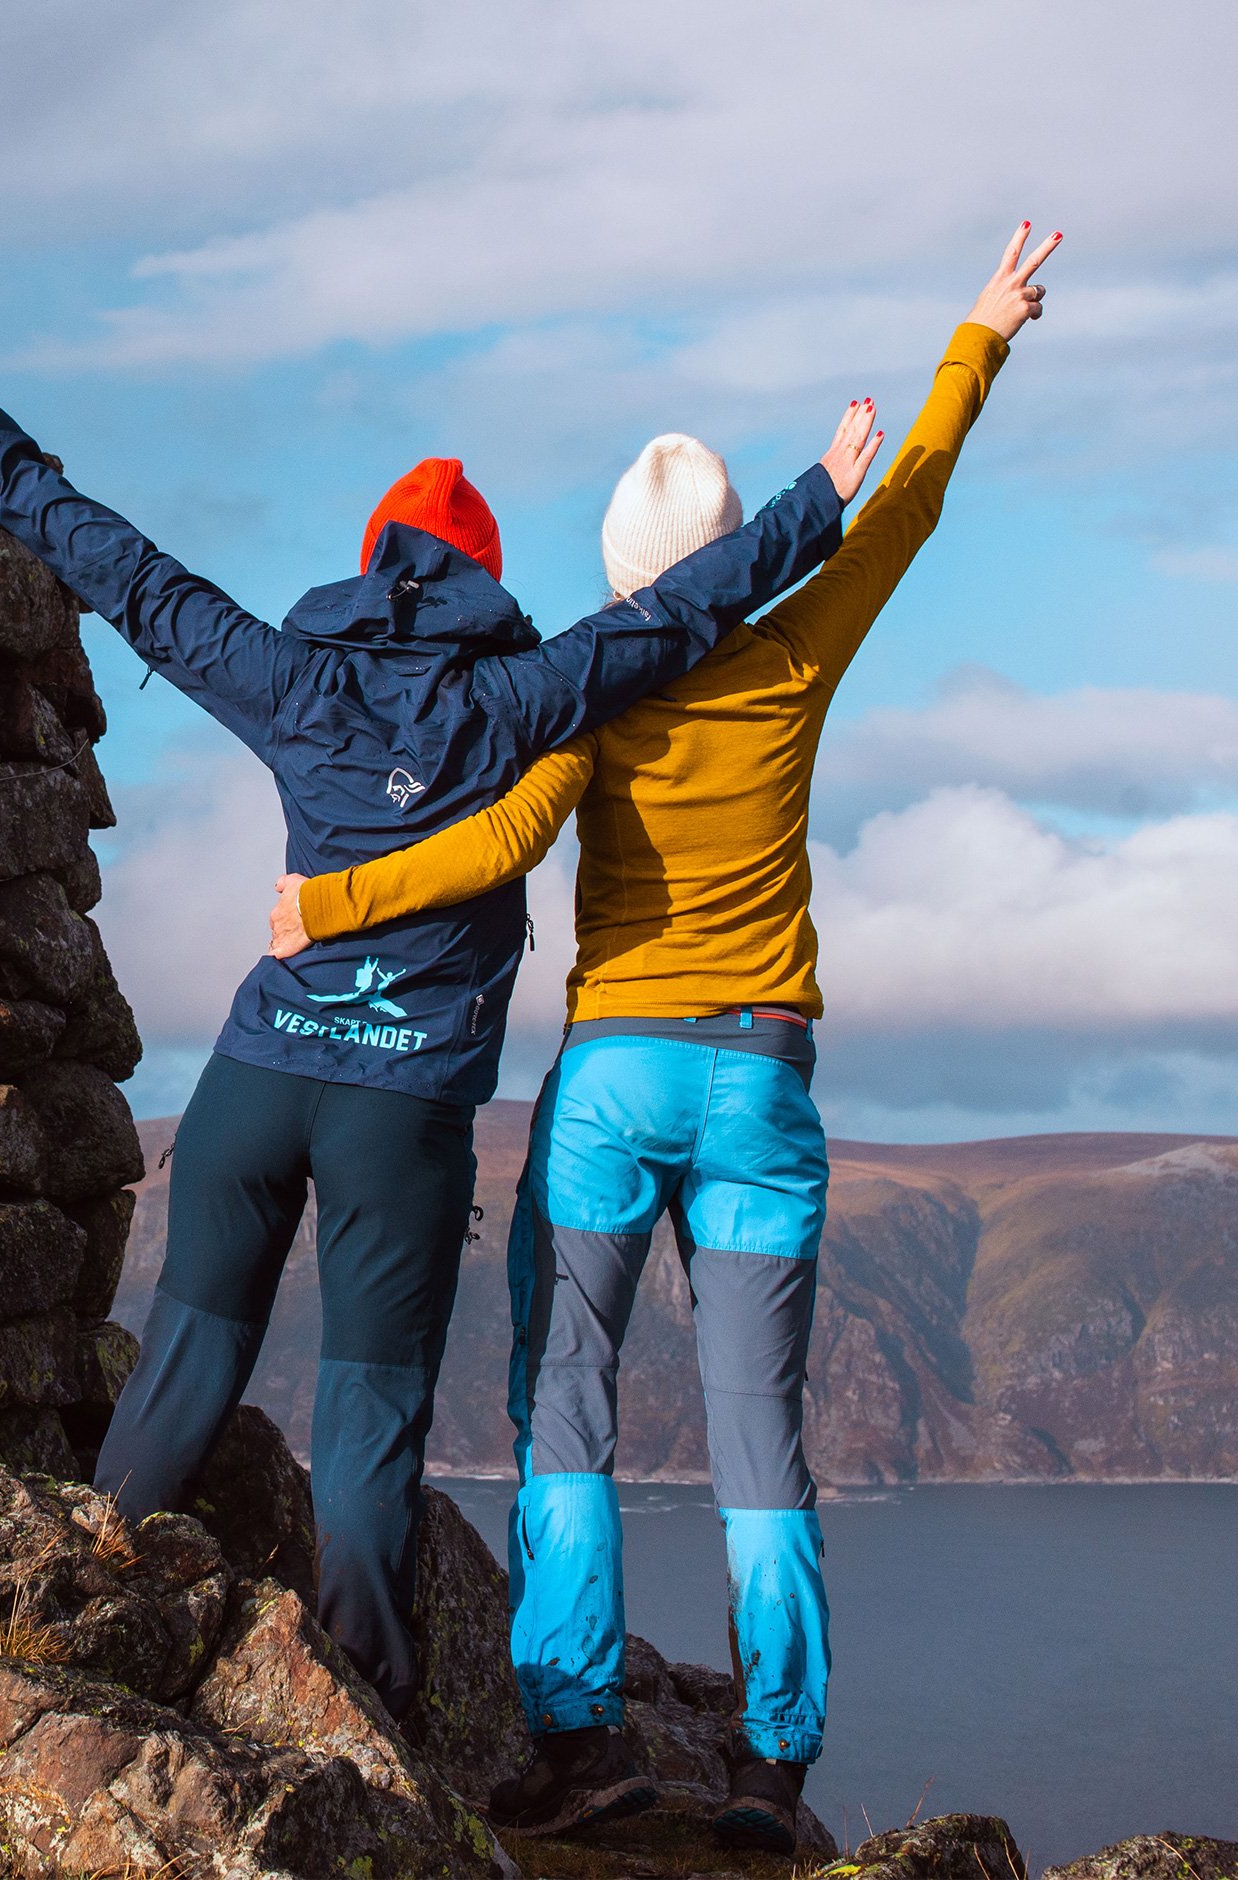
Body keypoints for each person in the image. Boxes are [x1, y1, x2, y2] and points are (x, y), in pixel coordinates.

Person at [267, 224, 1061, 1843]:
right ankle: (774, 1766)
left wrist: (327, 910)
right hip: (762, 1071)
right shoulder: (790, 660)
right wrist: (976, 337)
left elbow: (483, 850)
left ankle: (582, 1745)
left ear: (630, 565)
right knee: (761, 1432)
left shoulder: (590, 691)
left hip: (616, 1080)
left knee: (568, 1402)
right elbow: (902, 506)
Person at [0, 362, 882, 1717]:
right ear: (489, 586)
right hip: (403, 1115)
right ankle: (364, 1709)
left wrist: (8, 466)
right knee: (368, 1422)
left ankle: (81, 1635)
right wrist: (814, 505)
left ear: (372, 560)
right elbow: (680, 615)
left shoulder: (291, 673)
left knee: (187, 1360)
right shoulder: (523, 700)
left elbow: (143, 587)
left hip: (258, 1081)